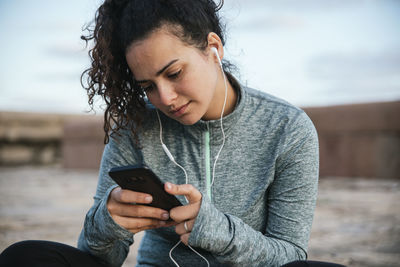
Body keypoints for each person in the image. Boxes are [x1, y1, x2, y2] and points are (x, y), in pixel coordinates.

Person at [0, 0, 346, 267]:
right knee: (26, 255)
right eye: (148, 85)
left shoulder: (288, 128)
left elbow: (290, 256)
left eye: (175, 73)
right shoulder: (135, 125)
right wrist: (108, 221)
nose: (165, 98)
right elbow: (99, 259)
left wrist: (217, 231)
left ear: (213, 48)